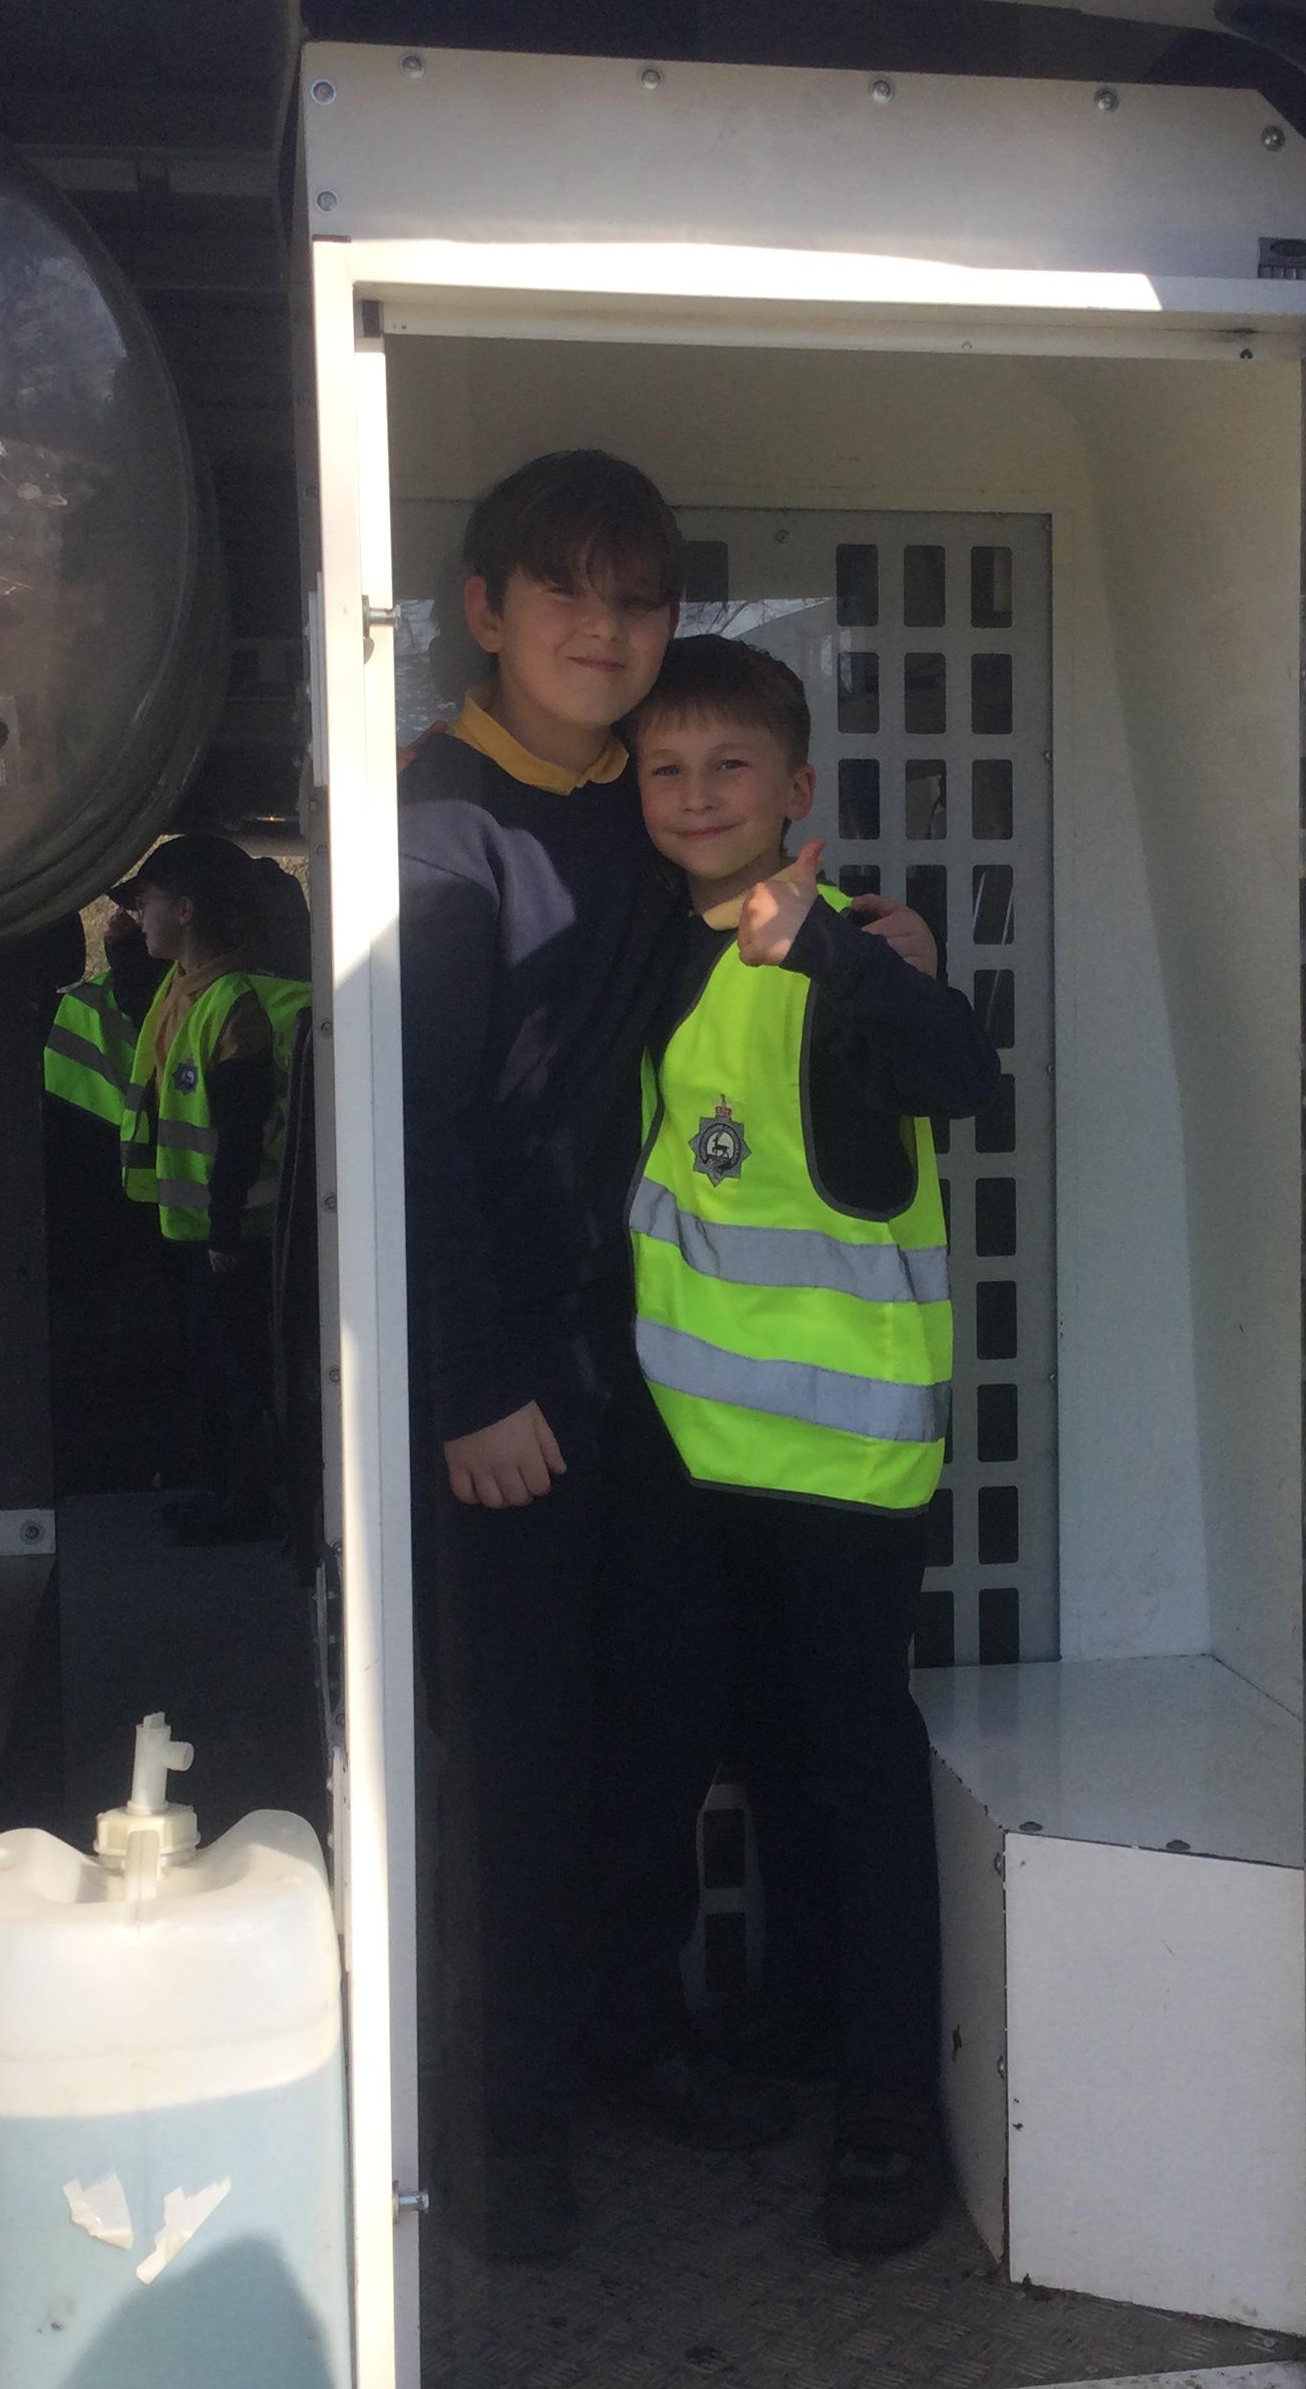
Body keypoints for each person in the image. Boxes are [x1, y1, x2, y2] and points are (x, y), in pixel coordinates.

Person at [398, 451, 935, 2260]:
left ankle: (630, 2034)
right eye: (563, 591)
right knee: (525, 1756)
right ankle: (512, 2116)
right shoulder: (438, 829)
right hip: (512, 1382)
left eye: (637, 600)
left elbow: (763, 916)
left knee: (654, 1728)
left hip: (648, 1382)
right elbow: (414, 1136)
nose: (604, 629)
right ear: (484, 613)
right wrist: (473, 1382)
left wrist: (878, 950)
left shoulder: (627, 808)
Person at [596, 632, 1000, 2251]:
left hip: (839, 1468)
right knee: (764, 1751)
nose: (696, 794)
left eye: (730, 767)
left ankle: (890, 2107)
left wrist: (843, 955)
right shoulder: (662, 944)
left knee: (852, 1767)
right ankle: (807, 2007)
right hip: (693, 1463)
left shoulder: (841, 952)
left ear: (796, 789)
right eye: (666, 768)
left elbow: (957, 1073)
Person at [117, 832, 311, 1547]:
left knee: (243, 1373)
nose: (137, 916)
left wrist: (226, 1229)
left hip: (233, 1237)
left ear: (187, 910)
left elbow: (240, 1128)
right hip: (195, 1229)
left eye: (147, 902)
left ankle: (249, 1504)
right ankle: (223, 1491)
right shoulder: (181, 991)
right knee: (215, 1367)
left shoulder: (232, 1005)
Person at [41, 897, 157, 1130]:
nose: (119, 916)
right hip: (122, 1135)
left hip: (108, 1133)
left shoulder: (85, 1000)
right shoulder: (90, 997)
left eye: (142, 906)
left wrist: (129, 957)